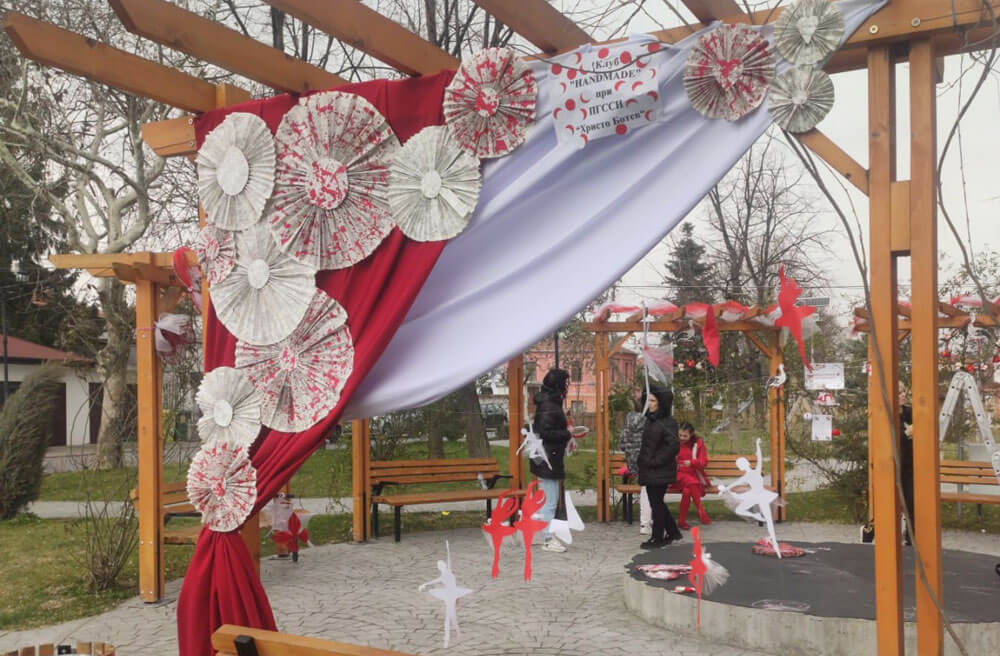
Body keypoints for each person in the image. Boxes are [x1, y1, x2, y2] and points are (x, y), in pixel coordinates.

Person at [530, 368, 572, 553]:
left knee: (547, 499)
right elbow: (545, 432)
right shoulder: (549, 404)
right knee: (551, 501)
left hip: (549, 457)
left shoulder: (549, 402)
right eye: (565, 383)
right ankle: (547, 538)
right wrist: (567, 433)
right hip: (548, 458)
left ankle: (541, 534)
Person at [637, 386, 683, 548]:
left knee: (656, 503)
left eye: (653, 400)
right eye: (648, 400)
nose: (649, 404)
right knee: (656, 502)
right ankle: (673, 532)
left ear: (661, 403)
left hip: (660, 469)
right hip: (649, 469)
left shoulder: (667, 422)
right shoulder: (650, 420)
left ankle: (657, 537)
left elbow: (673, 446)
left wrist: (655, 461)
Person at [618, 393, 651, 534]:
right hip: (647, 462)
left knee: (646, 490)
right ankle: (646, 523)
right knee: (649, 491)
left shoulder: (627, 425)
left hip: (633, 463)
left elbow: (622, 445)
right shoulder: (648, 424)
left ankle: (646, 523)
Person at [673, 421, 712, 530]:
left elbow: (703, 462)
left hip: (693, 475)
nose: (682, 438)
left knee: (687, 491)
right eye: (680, 435)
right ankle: (701, 510)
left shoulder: (698, 443)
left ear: (691, 434)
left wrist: (692, 462)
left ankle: (681, 521)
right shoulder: (674, 442)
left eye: (685, 436)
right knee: (691, 482)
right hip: (677, 476)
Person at [899, 386, 915, 546]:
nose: (903, 394)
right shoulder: (888, 414)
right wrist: (906, 434)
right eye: (899, 392)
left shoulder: (909, 412)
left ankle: (911, 537)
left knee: (911, 501)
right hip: (896, 465)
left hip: (910, 465)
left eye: (904, 391)